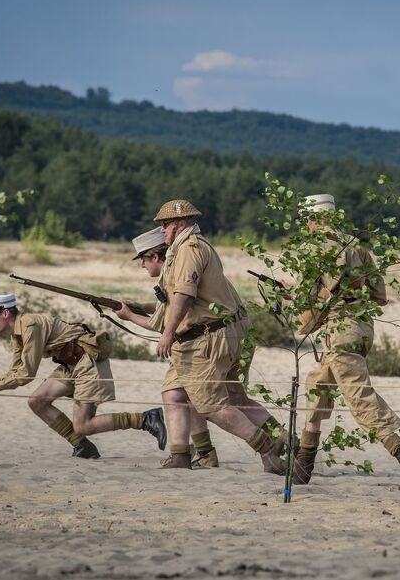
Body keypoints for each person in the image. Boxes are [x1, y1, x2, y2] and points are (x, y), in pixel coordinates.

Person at [118, 200, 286, 472]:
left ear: (180, 224)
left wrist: (167, 333)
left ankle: (268, 446)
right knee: (176, 393)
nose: (162, 230)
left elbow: (184, 296)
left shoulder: (188, 250)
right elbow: (178, 302)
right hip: (218, 332)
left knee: (212, 406)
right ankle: (182, 454)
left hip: (206, 338)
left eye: (165, 225)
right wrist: (138, 310)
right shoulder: (186, 249)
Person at [291, 194, 400, 490]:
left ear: (314, 218)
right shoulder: (357, 245)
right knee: (316, 389)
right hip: (360, 326)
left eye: (307, 218)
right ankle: (302, 469)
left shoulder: (318, 247)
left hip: (339, 330)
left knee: (361, 400)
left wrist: (296, 302)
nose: (306, 224)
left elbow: (313, 300)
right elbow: (378, 295)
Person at [0, 293, 167, 459]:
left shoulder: (30, 326)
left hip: (87, 363)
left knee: (83, 425)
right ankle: (82, 446)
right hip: (70, 365)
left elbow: (26, 375)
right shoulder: (18, 333)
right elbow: (15, 371)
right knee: (37, 401)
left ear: (4, 313)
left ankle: (144, 419)